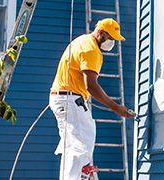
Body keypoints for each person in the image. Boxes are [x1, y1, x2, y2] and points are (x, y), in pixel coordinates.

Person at [49, 18, 134, 180]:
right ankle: (78, 175)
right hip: (70, 99)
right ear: (101, 33)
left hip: (64, 98)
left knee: (72, 144)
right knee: (81, 142)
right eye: (110, 38)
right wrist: (116, 108)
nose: (112, 42)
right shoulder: (91, 49)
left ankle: (77, 173)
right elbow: (91, 85)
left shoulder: (81, 40)